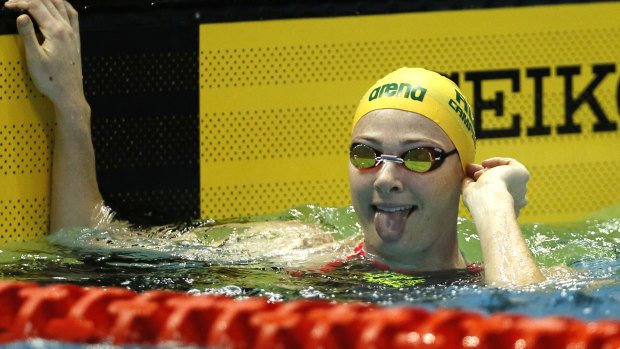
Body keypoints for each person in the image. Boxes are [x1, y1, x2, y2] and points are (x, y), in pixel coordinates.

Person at [5, 0, 545, 287]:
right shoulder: (297, 250)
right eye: (366, 153)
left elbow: (532, 324)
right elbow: (88, 242)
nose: (385, 177)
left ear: (464, 172)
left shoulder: (523, 271)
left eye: (419, 156)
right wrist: (71, 107)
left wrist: (495, 210)